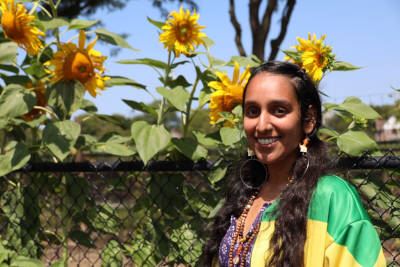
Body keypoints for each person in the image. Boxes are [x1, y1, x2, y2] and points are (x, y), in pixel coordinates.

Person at [201, 61, 386, 267]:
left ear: (308, 120)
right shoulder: (245, 194)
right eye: (252, 111)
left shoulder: (330, 197)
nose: (262, 125)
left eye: (279, 110)